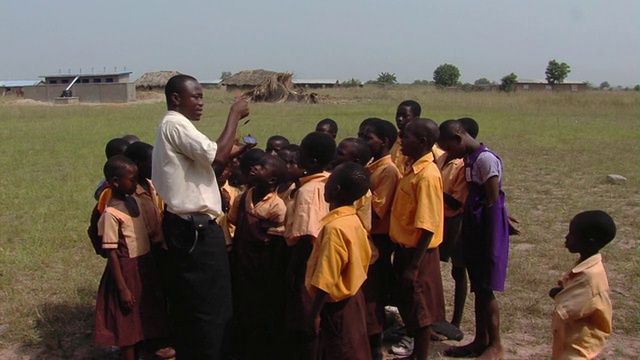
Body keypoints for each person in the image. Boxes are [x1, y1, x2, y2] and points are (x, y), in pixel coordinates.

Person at [152, 74, 249, 359]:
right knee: (212, 306)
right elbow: (217, 157)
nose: (200, 103)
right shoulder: (175, 125)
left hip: (187, 226)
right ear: (175, 99)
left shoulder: (173, 126)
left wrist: (232, 152)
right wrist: (234, 115)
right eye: (195, 97)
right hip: (195, 231)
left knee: (195, 302)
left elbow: (210, 163)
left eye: (202, 97)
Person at [437, 119, 509, 360]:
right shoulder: (470, 159)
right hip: (474, 225)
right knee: (478, 287)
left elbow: (492, 199)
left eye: (449, 148)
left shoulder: (485, 159)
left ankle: (496, 345)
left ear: (458, 138)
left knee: (486, 288)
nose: (449, 154)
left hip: (486, 230)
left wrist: (493, 233)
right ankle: (481, 340)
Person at [94, 156, 169, 360]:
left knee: (142, 315)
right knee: (127, 323)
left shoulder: (134, 201)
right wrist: (122, 288)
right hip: (126, 271)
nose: (135, 183)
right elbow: (111, 252)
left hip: (143, 265)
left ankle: (145, 351)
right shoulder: (111, 214)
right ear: (116, 181)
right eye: (132, 179)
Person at [389, 118, 446, 360]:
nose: (401, 141)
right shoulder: (412, 168)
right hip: (405, 250)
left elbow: (428, 225)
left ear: (423, 142)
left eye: (407, 137)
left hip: (418, 254)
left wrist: (413, 265)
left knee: (420, 309)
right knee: (410, 305)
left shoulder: (427, 176)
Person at [305, 162, 373, 360]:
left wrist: (315, 313)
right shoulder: (354, 220)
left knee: (339, 349)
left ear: (335, 190)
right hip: (354, 298)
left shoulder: (334, 228)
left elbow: (327, 275)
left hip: (335, 305)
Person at [227, 155, 289, 359]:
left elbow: (277, 244)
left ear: (272, 181)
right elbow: (233, 222)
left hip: (263, 268)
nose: (254, 168)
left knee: (260, 311)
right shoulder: (243, 198)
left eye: (261, 167)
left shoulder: (277, 206)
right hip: (241, 263)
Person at [283, 132, 335, 360]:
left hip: (308, 260)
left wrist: (293, 269)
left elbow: (306, 234)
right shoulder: (329, 181)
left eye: (301, 151)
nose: (297, 155)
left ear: (312, 161)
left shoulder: (308, 190)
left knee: (308, 317)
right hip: (322, 257)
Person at [359, 118, 402, 360]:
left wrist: (358, 185)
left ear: (384, 142)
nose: (363, 142)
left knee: (373, 292)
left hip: (379, 239)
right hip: (366, 236)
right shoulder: (371, 165)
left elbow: (376, 212)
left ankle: (375, 343)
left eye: (367, 138)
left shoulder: (387, 171)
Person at [549, 210, 615, 359]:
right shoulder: (585, 267)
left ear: (588, 241)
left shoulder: (589, 278)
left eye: (572, 234)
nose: (566, 237)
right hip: (572, 340)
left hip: (578, 349)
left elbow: (564, 309)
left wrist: (559, 295)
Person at [435, 119, 473, 339]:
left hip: (455, 223)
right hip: (437, 219)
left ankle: (455, 321)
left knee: (458, 270)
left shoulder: (463, 165)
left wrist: (431, 189)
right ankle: (435, 318)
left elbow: (457, 202)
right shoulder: (441, 158)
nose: (445, 150)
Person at [331, 137, 373, 232]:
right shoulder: (332, 180)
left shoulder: (362, 191)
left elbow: (364, 226)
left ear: (355, 161)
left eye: (340, 154)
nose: (334, 156)